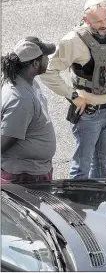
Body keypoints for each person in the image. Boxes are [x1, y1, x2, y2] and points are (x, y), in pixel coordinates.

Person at [39, 0, 106, 180]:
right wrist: (73, 96)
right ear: (86, 20)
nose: (104, 25)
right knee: (81, 168)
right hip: (89, 113)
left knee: (102, 161)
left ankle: (100, 203)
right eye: (98, 21)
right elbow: (48, 71)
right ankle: (78, 207)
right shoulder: (73, 41)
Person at [1, 37, 57, 183]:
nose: (48, 60)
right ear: (35, 63)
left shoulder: (28, 83)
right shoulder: (20, 99)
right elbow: (4, 141)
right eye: (45, 57)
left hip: (33, 171)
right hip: (23, 177)